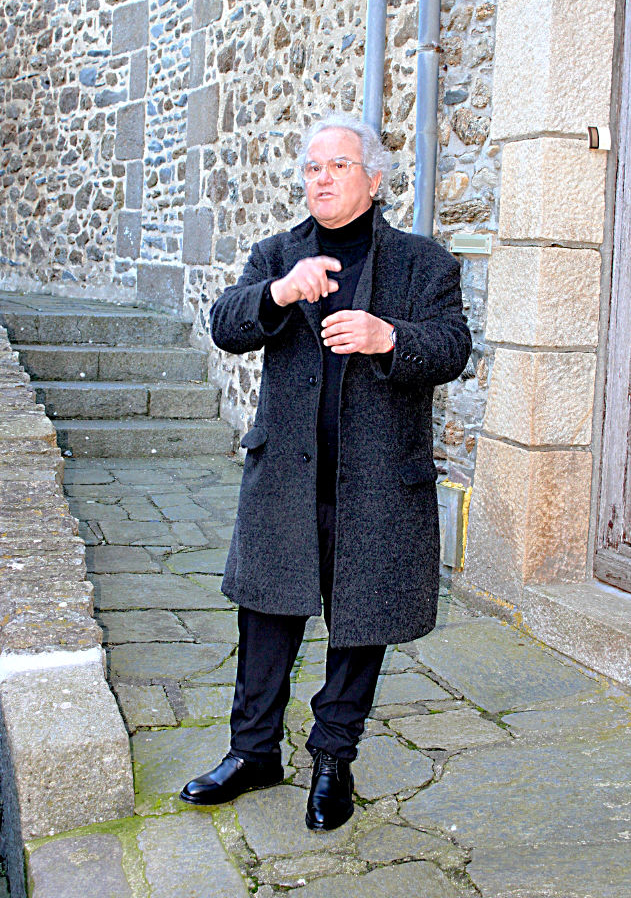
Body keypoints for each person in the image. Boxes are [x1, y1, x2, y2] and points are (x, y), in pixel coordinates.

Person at [180, 113, 472, 830]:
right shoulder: (277, 254)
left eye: (338, 165)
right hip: (286, 477)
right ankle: (252, 753)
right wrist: (278, 293)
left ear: (374, 179)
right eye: (312, 168)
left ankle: (333, 760)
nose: (322, 179)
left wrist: (387, 336)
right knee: (266, 617)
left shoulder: (423, 263)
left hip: (377, 484)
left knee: (359, 625)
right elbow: (225, 323)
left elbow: (452, 347)